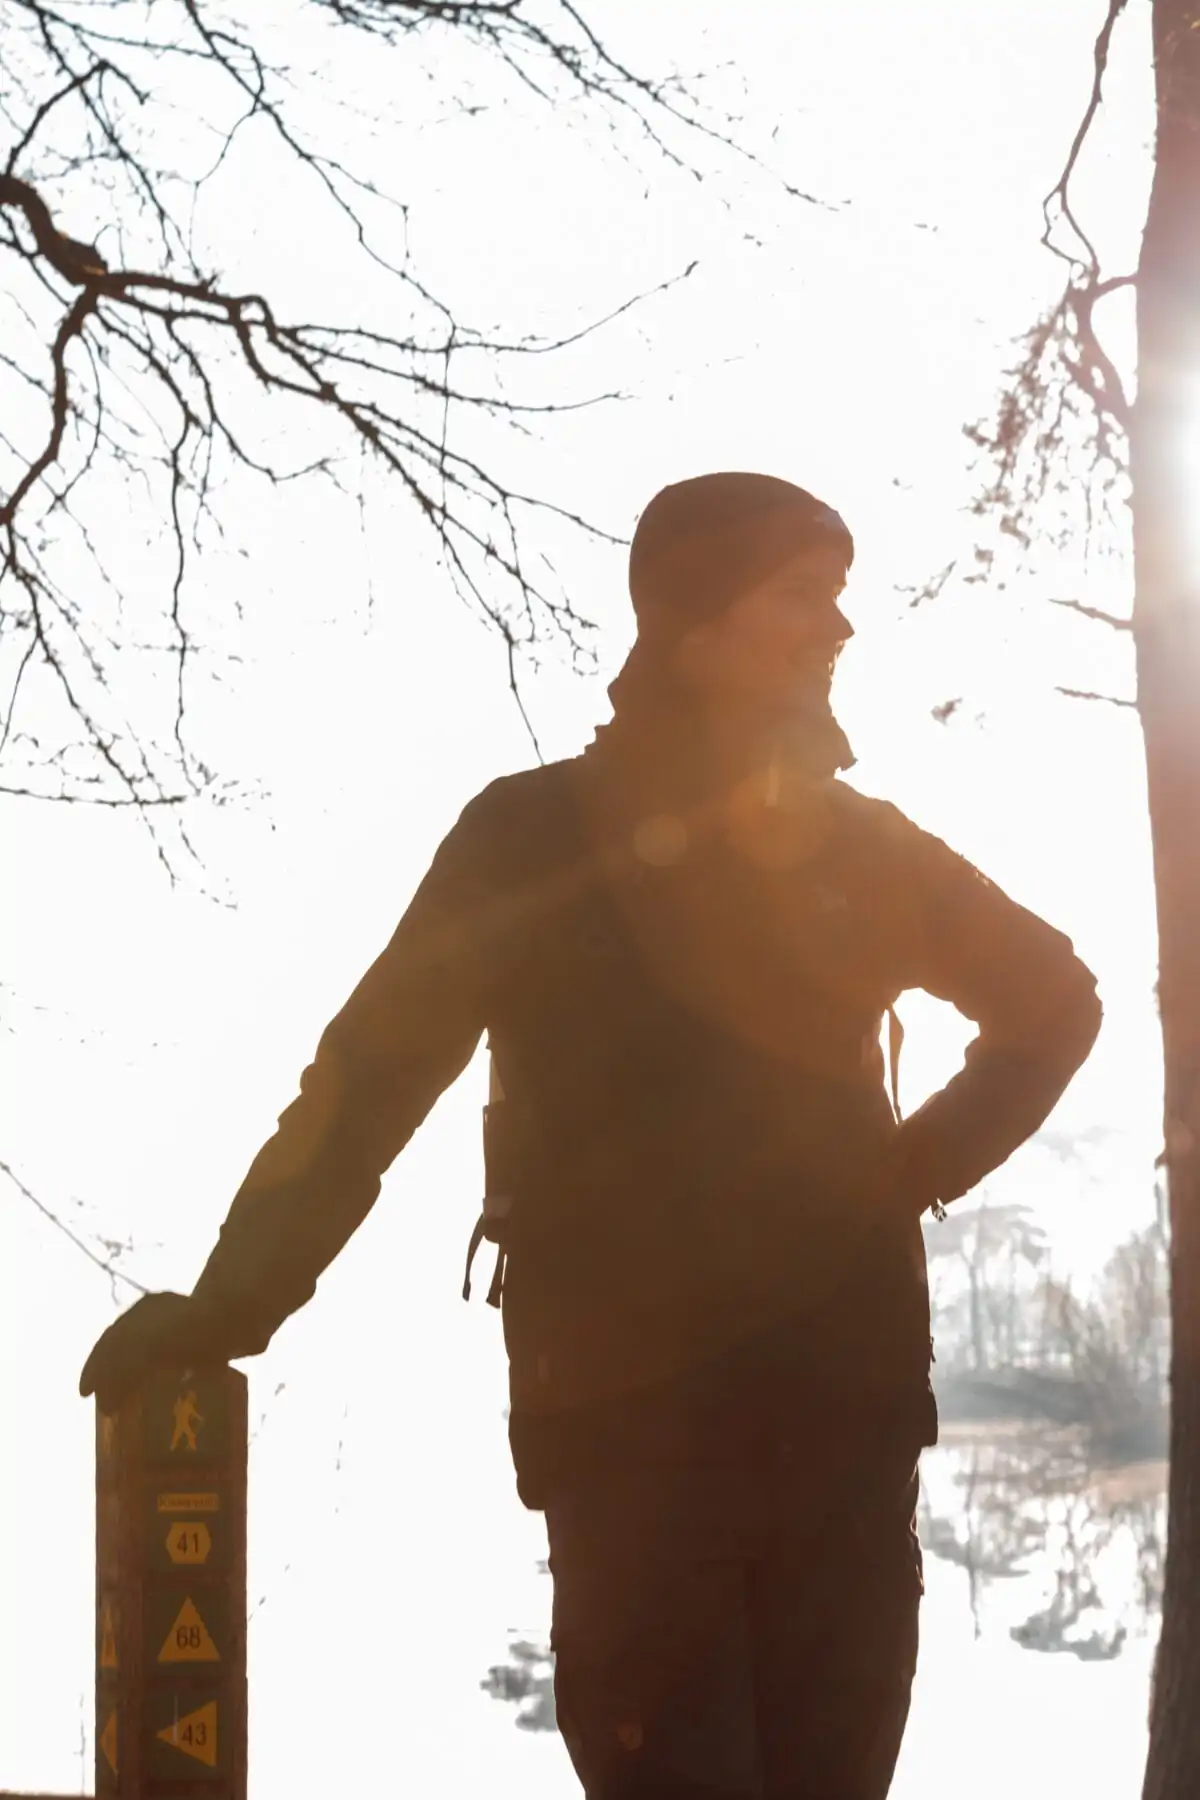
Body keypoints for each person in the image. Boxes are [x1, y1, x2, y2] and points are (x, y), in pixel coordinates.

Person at [82, 472, 1102, 1799]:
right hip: (636, 1445)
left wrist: (907, 1173)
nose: (838, 627)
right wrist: (231, 1304)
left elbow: (1055, 1006)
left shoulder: (867, 849)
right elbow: (367, 1083)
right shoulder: (529, 838)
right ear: (694, 616)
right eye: (802, 595)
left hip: (841, 1442)